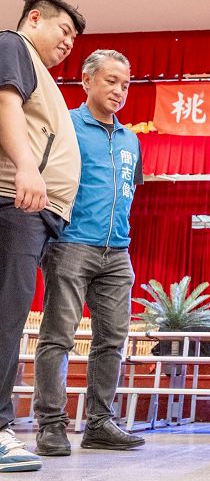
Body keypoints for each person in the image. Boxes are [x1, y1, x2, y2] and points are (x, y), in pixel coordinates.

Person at [33, 49, 145, 456]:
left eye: (125, 85)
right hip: (70, 245)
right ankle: (50, 425)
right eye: (111, 81)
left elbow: (130, 191)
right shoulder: (66, 127)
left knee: (112, 340)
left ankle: (100, 423)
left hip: (117, 252)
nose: (119, 91)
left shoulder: (131, 139)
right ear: (86, 81)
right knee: (58, 338)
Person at [0, 0, 85, 473]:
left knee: (8, 318)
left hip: (32, 210)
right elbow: (5, 102)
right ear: (34, 19)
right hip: (15, 201)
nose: (68, 43)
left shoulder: (39, 70)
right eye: (64, 31)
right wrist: (26, 167)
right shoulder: (14, 45)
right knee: (5, 320)